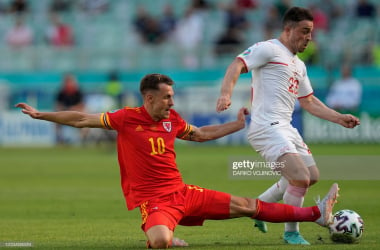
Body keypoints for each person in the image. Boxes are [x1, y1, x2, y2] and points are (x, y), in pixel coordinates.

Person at [16, 73, 339, 248]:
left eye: (173, 96)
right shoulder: (126, 119)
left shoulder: (173, 120)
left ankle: (316, 213)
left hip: (183, 193)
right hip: (155, 203)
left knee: (246, 205)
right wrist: (42, 114)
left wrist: (238, 125)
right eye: (167, 97)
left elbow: (200, 134)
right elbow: (80, 120)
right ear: (149, 98)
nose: (173, 101)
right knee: (159, 242)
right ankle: (169, 234)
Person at [216, 7, 360, 245]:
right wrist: (225, 94)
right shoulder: (269, 49)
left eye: (311, 32)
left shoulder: (298, 65)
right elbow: (237, 64)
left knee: (311, 176)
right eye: (304, 31)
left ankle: (261, 208)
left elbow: (310, 102)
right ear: (288, 29)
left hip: (286, 128)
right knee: (300, 178)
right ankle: (291, 232)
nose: (308, 38)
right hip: (266, 128)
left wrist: (338, 117)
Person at [55, 73, 85, 144]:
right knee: (55, 120)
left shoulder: (78, 92)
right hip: (65, 113)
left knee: (85, 120)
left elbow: (81, 105)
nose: (68, 84)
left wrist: (73, 109)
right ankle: (60, 139)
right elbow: (58, 105)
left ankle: (81, 140)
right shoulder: (61, 93)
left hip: (76, 113)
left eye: (70, 82)